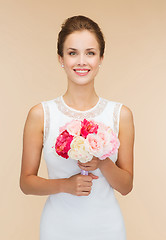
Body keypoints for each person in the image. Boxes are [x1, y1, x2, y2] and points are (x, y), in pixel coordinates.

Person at [20, 15, 135, 240]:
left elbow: (126, 186)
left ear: (101, 58)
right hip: (57, 228)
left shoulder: (121, 115)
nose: (81, 61)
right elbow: (26, 182)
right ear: (61, 58)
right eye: (73, 53)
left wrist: (102, 162)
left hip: (107, 228)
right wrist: (65, 185)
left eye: (90, 53)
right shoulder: (40, 114)